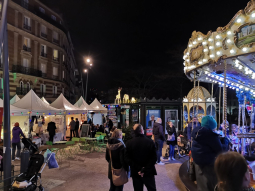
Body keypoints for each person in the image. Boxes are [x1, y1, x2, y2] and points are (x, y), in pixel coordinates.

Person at [191, 115, 222, 191]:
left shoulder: (198, 132)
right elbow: (219, 150)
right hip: (207, 162)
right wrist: (225, 142)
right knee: (210, 183)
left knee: (202, 183)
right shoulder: (211, 136)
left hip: (198, 160)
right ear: (211, 127)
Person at [125, 124, 157, 191]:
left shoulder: (129, 143)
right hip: (148, 171)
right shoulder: (150, 142)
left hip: (136, 172)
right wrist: (145, 169)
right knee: (152, 189)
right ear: (142, 130)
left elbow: (127, 159)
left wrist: (139, 168)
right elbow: (154, 158)